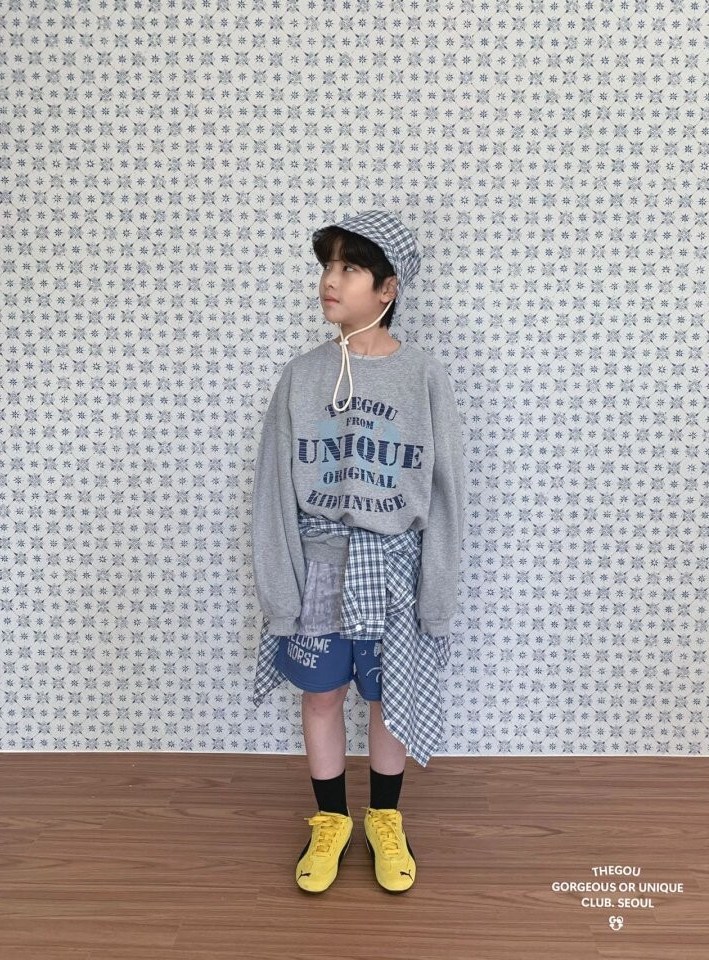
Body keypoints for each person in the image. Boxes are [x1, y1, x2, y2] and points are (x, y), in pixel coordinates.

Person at [250, 209, 465, 895]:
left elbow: (447, 492)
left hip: (396, 570)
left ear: (387, 289)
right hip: (319, 566)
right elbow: (272, 489)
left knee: (387, 697)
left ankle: (385, 819)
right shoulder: (301, 377)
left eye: (349, 268)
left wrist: (436, 595)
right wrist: (281, 594)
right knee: (322, 697)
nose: (330, 280)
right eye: (327, 266)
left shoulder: (423, 377)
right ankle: (331, 820)